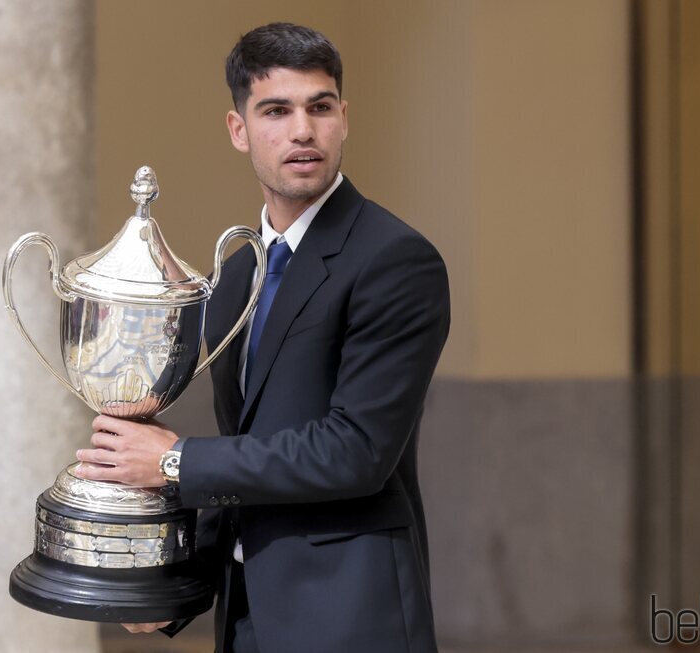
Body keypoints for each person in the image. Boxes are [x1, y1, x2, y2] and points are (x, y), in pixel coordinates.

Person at [73, 22, 450, 653]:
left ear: (344, 118)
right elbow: (248, 458)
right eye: (276, 110)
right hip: (247, 623)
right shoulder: (237, 274)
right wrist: (172, 590)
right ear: (238, 129)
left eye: (320, 107)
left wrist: (172, 462)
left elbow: (355, 450)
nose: (302, 130)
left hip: (352, 619)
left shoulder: (396, 260)